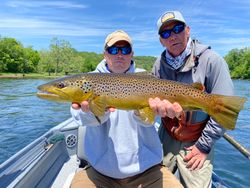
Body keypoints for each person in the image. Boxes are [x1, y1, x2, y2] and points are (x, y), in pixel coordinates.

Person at [70, 30, 183, 188]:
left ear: (132, 54)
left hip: (148, 171)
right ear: (105, 54)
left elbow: (147, 122)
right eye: (114, 50)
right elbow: (80, 117)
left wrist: (147, 112)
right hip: (99, 173)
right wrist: (94, 112)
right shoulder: (86, 80)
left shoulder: (146, 78)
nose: (120, 54)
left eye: (125, 50)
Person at [151, 11, 235, 188]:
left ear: (187, 30)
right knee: (154, 179)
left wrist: (203, 147)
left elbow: (226, 109)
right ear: (161, 40)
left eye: (177, 29)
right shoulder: (159, 64)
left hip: (198, 138)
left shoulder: (212, 61)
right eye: (166, 33)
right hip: (167, 133)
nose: (172, 36)